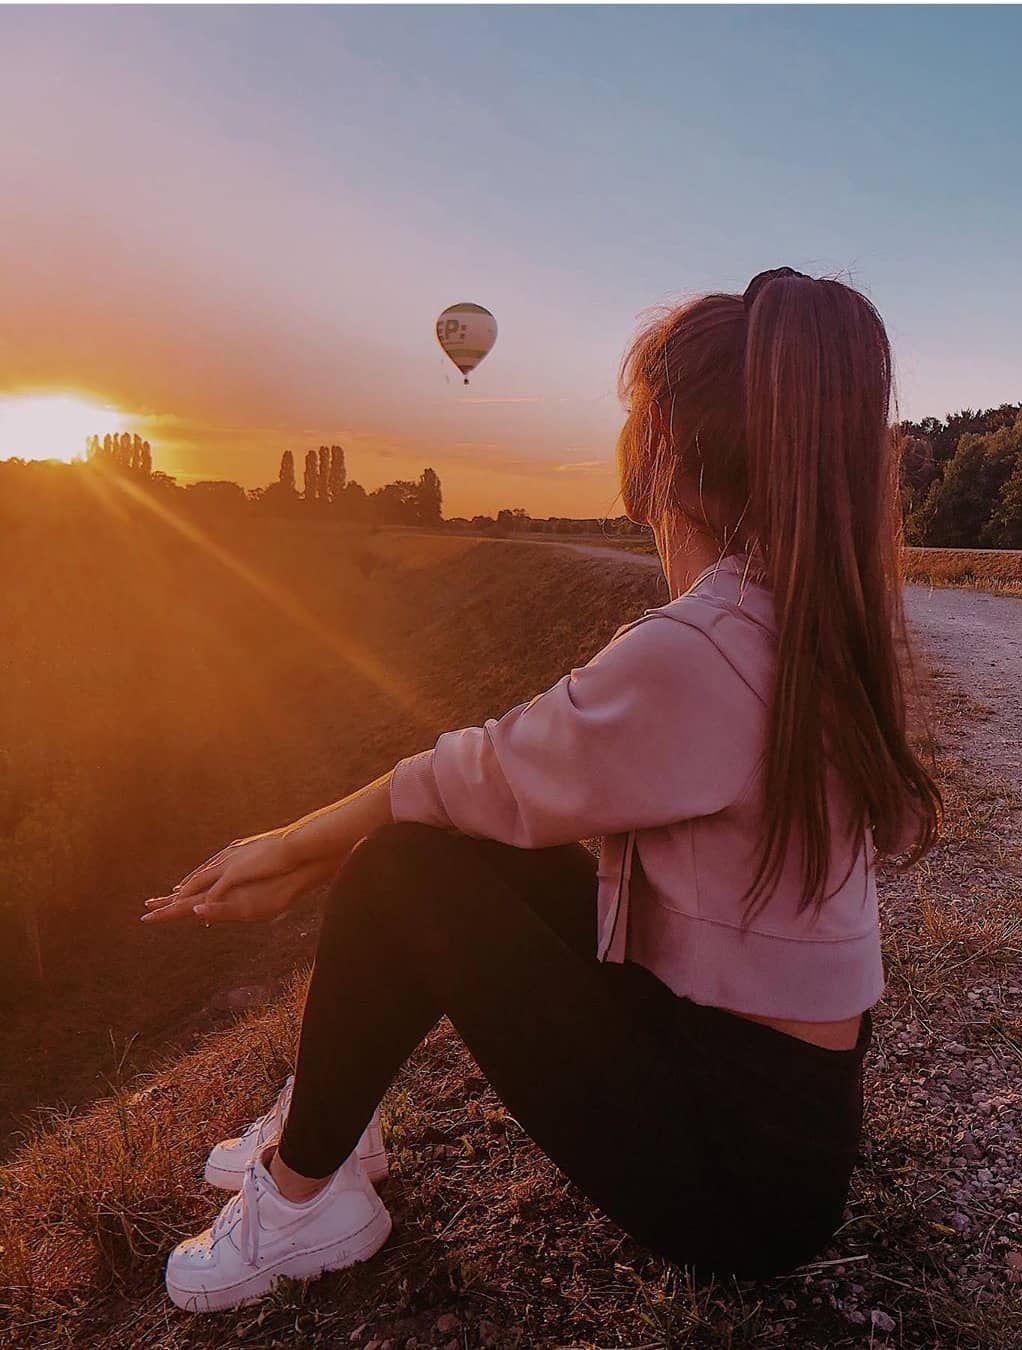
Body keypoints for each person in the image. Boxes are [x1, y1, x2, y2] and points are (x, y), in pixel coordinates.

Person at [144, 268, 941, 1313]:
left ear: (662, 452)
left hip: (733, 1185)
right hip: (784, 1126)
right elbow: (497, 790)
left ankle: (300, 1204)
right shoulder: (807, 616)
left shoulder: (703, 647)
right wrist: (305, 853)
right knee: (459, 847)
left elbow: (470, 770)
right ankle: (329, 1121)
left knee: (406, 874)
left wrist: (291, 849)